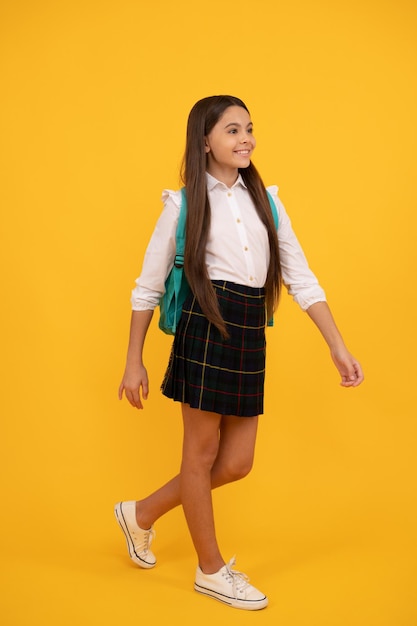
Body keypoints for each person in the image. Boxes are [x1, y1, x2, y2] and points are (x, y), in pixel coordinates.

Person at [116, 95, 364, 611]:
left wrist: (337, 346)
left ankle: (139, 515)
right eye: (232, 130)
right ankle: (211, 570)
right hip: (204, 324)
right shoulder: (183, 205)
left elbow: (300, 277)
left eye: (249, 128)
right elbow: (147, 286)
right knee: (200, 455)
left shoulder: (267, 202)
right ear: (205, 141)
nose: (245, 138)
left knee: (236, 462)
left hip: (250, 327)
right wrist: (133, 358)